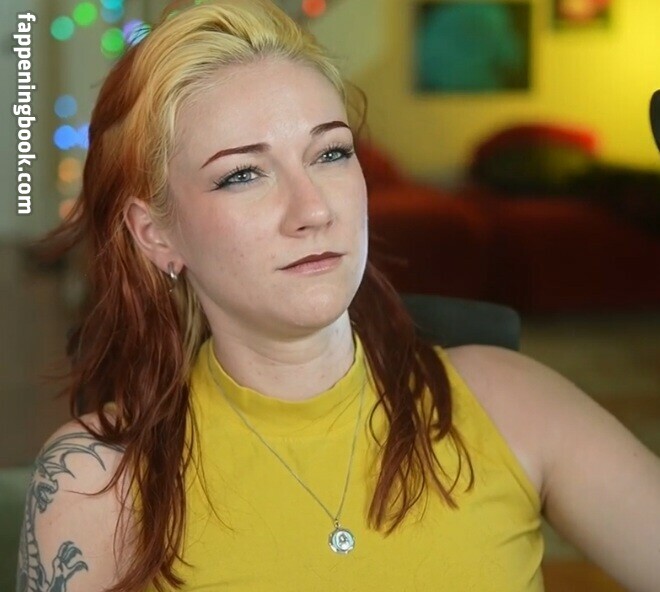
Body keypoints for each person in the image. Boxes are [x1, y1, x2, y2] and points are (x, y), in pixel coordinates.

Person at [16, 1, 660, 591]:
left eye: (329, 153)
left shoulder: (512, 404)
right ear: (157, 235)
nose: (313, 209)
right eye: (243, 174)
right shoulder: (92, 482)